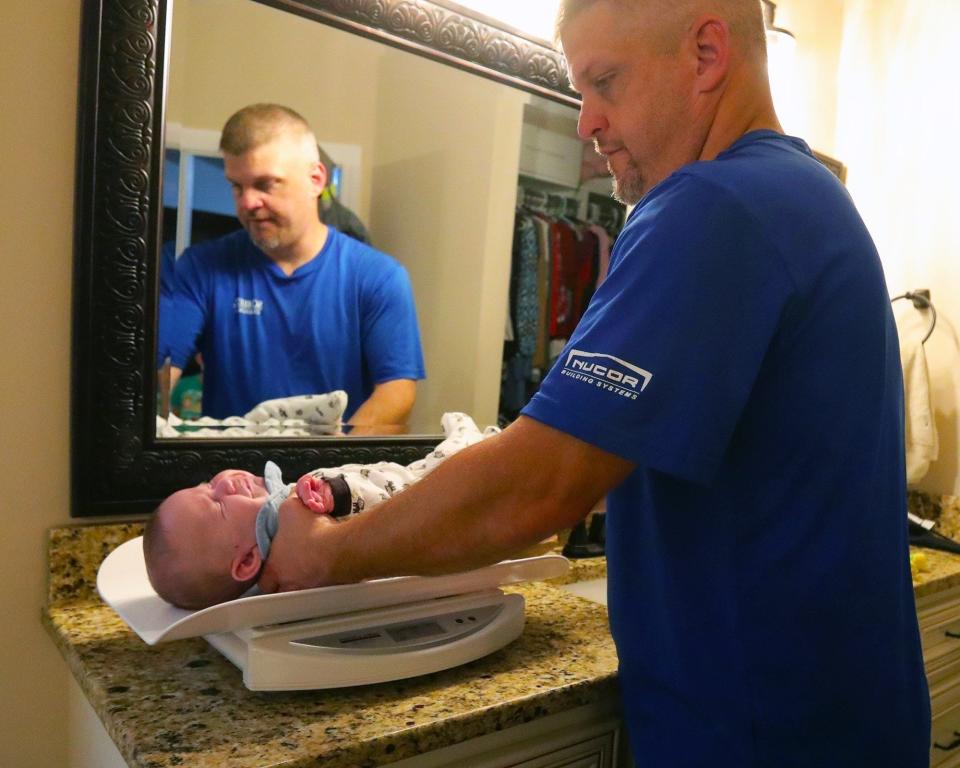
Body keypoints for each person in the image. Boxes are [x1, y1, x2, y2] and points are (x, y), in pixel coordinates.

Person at [254, 1, 931, 765]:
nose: (585, 123)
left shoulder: (712, 205)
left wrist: (322, 556)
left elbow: (538, 487)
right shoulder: (810, 195)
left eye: (604, 81)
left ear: (707, 54)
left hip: (760, 733)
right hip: (851, 716)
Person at [157, 103, 425, 426]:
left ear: (315, 179)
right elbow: (160, 372)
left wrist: (331, 464)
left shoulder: (379, 277)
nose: (247, 203)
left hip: (333, 469)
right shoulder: (201, 267)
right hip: (230, 471)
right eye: (237, 186)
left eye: (265, 184)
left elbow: (397, 394)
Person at [143, 413, 496, 609]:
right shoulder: (296, 544)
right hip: (418, 494)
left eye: (207, 484)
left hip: (404, 480)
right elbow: (375, 515)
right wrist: (336, 496)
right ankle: (479, 443)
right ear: (247, 562)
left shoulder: (283, 515)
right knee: (451, 464)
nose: (221, 483)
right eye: (217, 505)